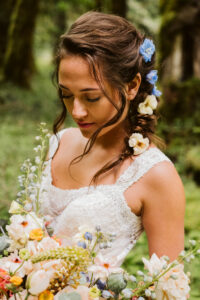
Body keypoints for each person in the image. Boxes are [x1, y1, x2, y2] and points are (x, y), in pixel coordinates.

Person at [40, 11, 185, 266]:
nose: (77, 111)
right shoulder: (59, 142)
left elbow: (169, 287)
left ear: (132, 86)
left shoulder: (155, 175)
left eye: (91, 97)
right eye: (66, 94)